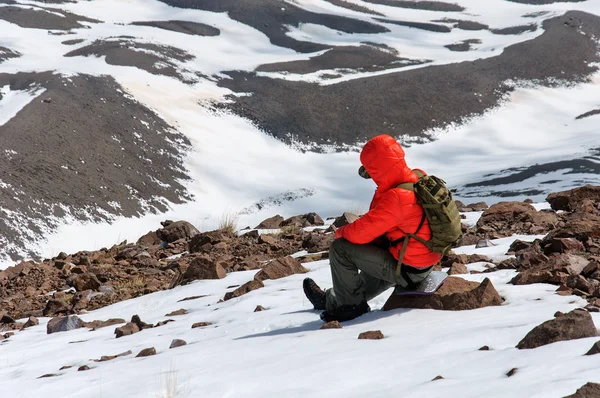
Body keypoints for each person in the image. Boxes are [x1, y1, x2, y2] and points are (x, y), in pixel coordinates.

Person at [303, 134, 441, 322]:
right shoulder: (417, 177)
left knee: (341, 249)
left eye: (372, 172)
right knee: (372, 259)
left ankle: (351, 307)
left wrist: (340, 232)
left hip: (407, 270)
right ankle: (329, 300)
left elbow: (361, 233)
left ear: (378, 169)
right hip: (417, 261)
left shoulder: (397, 197)